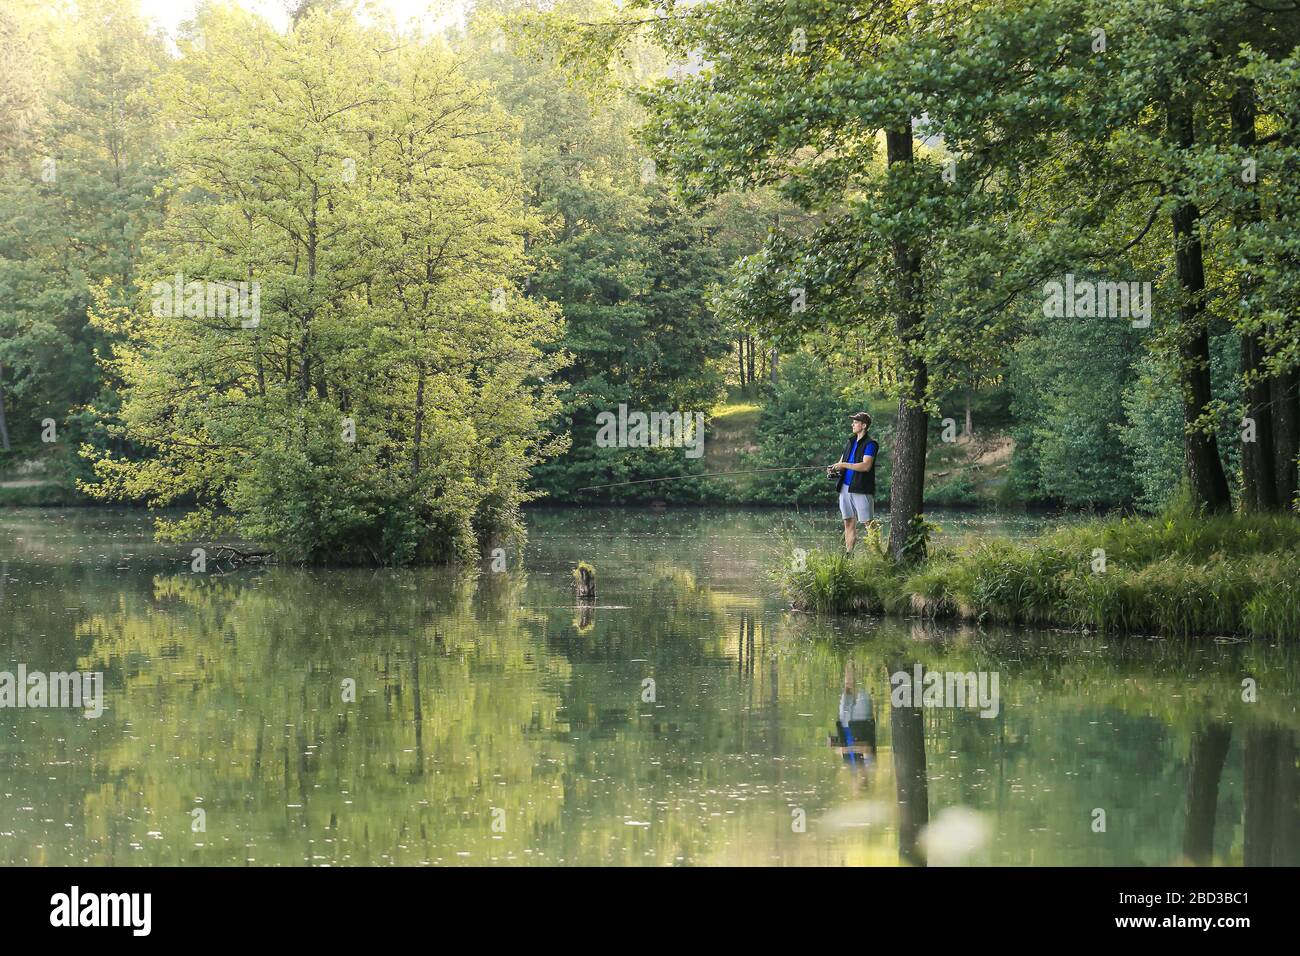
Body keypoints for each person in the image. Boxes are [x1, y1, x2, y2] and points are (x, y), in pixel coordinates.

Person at [828, 411, 878, 553]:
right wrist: (833, 469)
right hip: (845, 488)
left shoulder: (871, 444)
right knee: (848, 523)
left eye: (856, 422)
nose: (853, 424)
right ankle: (849, 555)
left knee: (869, 524)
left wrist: (843, 465)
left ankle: (877, 556)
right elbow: (841, 462)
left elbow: (866, 466)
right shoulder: (850, 442)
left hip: (861, 488)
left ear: (863, 425)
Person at [828, 661, 876, 781]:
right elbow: (867, 748)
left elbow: (842, 748)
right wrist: (846, 748)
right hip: (862, 721)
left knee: (848, 688)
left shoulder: (849, 764)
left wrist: (835, 744)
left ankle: (849, 661)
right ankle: (866, 661)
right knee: (864, 689)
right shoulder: (869, 765)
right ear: (864, 779)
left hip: (845, 723)